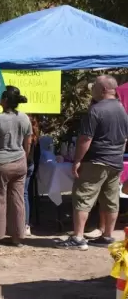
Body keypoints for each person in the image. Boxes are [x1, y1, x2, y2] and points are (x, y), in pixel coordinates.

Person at [59, 75, 128, 249]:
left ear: (103, 89)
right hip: (115, 161)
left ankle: (78, 238)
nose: (92, 90)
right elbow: (124, 138)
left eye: (94, 86)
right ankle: (107, 237)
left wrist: (77, 161)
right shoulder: (122, 110)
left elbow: (85, 139)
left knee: (83, 198)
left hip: (95, 160)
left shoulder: (96, 110)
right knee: (111, 200)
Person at [0, 86, 32, 248]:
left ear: (6, 101)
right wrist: (25, 155)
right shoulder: (24, 118)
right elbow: (28, 141)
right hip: (19, 162)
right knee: (18, 200)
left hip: (0, 163)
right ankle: (17, 237)